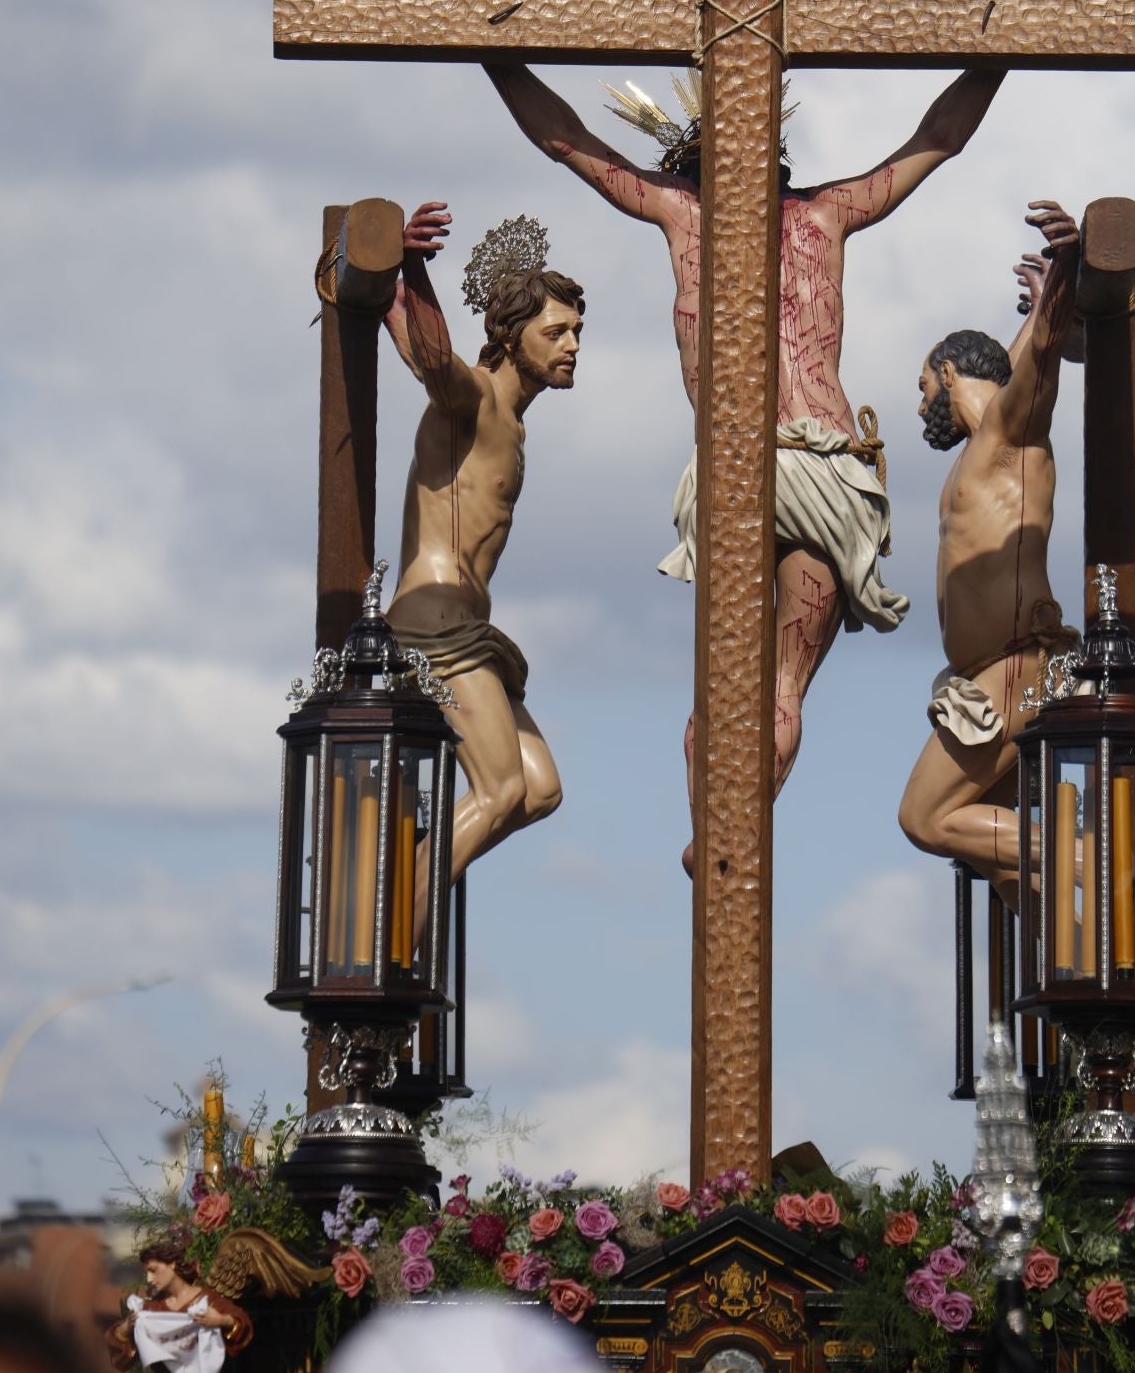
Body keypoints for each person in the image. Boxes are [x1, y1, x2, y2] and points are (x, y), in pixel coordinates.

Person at [486, 62, 1004, 871]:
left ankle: (714, 835)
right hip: (826, 464)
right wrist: (996, 54)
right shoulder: (827, 215)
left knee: (722, 688)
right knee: (784, 686)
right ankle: (735, 832)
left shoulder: (680, 210)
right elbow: (939, 139)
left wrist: (496, 60)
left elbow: (567, 142)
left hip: (737, 463)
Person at [380, 202, 584, 904]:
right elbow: (434, 359)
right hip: (430, 617)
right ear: (510, 334)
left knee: (540, 789)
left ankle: (420, 871)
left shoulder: (511, 424)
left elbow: (408, 336)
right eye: (555, 332)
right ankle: (395, 922)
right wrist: (409, 265)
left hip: (469, 626)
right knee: (499, 789)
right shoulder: (473, 400)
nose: (572, 345)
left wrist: (396, 295)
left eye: (577, 333)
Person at [898, 200, 1081, 909]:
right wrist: (1040, 308)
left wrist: (1067, 268)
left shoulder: (1010, 436)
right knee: (1010, 878)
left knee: (926, 817)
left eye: (922, 389)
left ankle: (1090, 854)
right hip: (984, 672)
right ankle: (1067, 979)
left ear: (948, 372)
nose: (919, 410)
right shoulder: (983, 452)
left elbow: (1039, 361)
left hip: (1013, 669)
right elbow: (1029, 344)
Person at [105, 1242, 251, 1373]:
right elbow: (121, 1359)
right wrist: (126, 1328)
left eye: (153, 1270)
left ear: (172, 1264)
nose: (149, 1279)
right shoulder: (152, 1311)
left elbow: (242, 1325)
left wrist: (221, 1320)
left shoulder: (206, 1300)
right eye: (147, 1273)